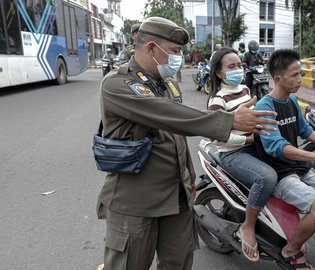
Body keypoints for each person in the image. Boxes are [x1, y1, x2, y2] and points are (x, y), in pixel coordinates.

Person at [97, 17, 278, 270]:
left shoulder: (167, 84)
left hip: (176, 197)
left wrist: (189, 178)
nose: (179, 58)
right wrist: (229, 120)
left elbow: (176, 135)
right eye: (174, 51)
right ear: (151, 48)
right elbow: (169, 115)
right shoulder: (117, 84)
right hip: (135, 202)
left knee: (179, 262)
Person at [254, 49, 315, 270]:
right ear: (278, 79)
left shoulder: (292, 101)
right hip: (279, 173)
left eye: (300, 74)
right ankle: (290, 250)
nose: (300, 79)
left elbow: (306, 133)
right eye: (295, 75)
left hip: (299, 168)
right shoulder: (265, 107)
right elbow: (277, 147)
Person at [207, 47, 278, 262]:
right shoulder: (217, 101)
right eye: (231, 67)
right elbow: (216, 137)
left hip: (254, 146)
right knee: (267, 177)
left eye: (239, 65)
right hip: (232, 152)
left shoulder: (246, 90)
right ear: (219, 73)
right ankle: (247, 227)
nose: (238, 69)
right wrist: (247, 139)